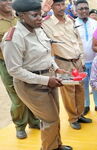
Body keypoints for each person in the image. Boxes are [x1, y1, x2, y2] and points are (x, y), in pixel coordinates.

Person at [2, 0, 71, 149]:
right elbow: (14, 70)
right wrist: (46, 80)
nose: (40, 18)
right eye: (35, 15)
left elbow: (46, 54)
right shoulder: (14, 37)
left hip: (49, 78)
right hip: (30, 85)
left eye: (40, 14)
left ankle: (56, 145)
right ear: (21, 15)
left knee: (54, 117)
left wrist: (56, 68)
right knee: (50, 119)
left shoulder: (38, 29)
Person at [42, 0, 92, 130]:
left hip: (77, 61)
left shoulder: (71, 20)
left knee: (80, 89)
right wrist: (44, 10)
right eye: (57, 5)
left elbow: (78, 41)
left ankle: (80, 114)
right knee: (68, 92)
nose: (61, 7)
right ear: (52, 7)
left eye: (62, 4)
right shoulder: (46, 23)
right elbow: (34, 24)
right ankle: (73, 118)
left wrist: (82, 59)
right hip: (63, 62)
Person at [0, 0, 40, 139]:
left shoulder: (20, 16)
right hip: (7, 64)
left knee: (30, 92)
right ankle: (20, 126)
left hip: (27, 62)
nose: (8, 2)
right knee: (17, 99)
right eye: (4, 0)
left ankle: (34, 121)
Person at [74, 0, 97, 115]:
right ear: (76, 11)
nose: (84, 11)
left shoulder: (95, 23)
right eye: (81, 8)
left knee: (96, 83)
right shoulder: (73, 24)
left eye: (86, 8)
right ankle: (86, 105)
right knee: (84, 85)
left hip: (95, 60)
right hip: (81, 62)